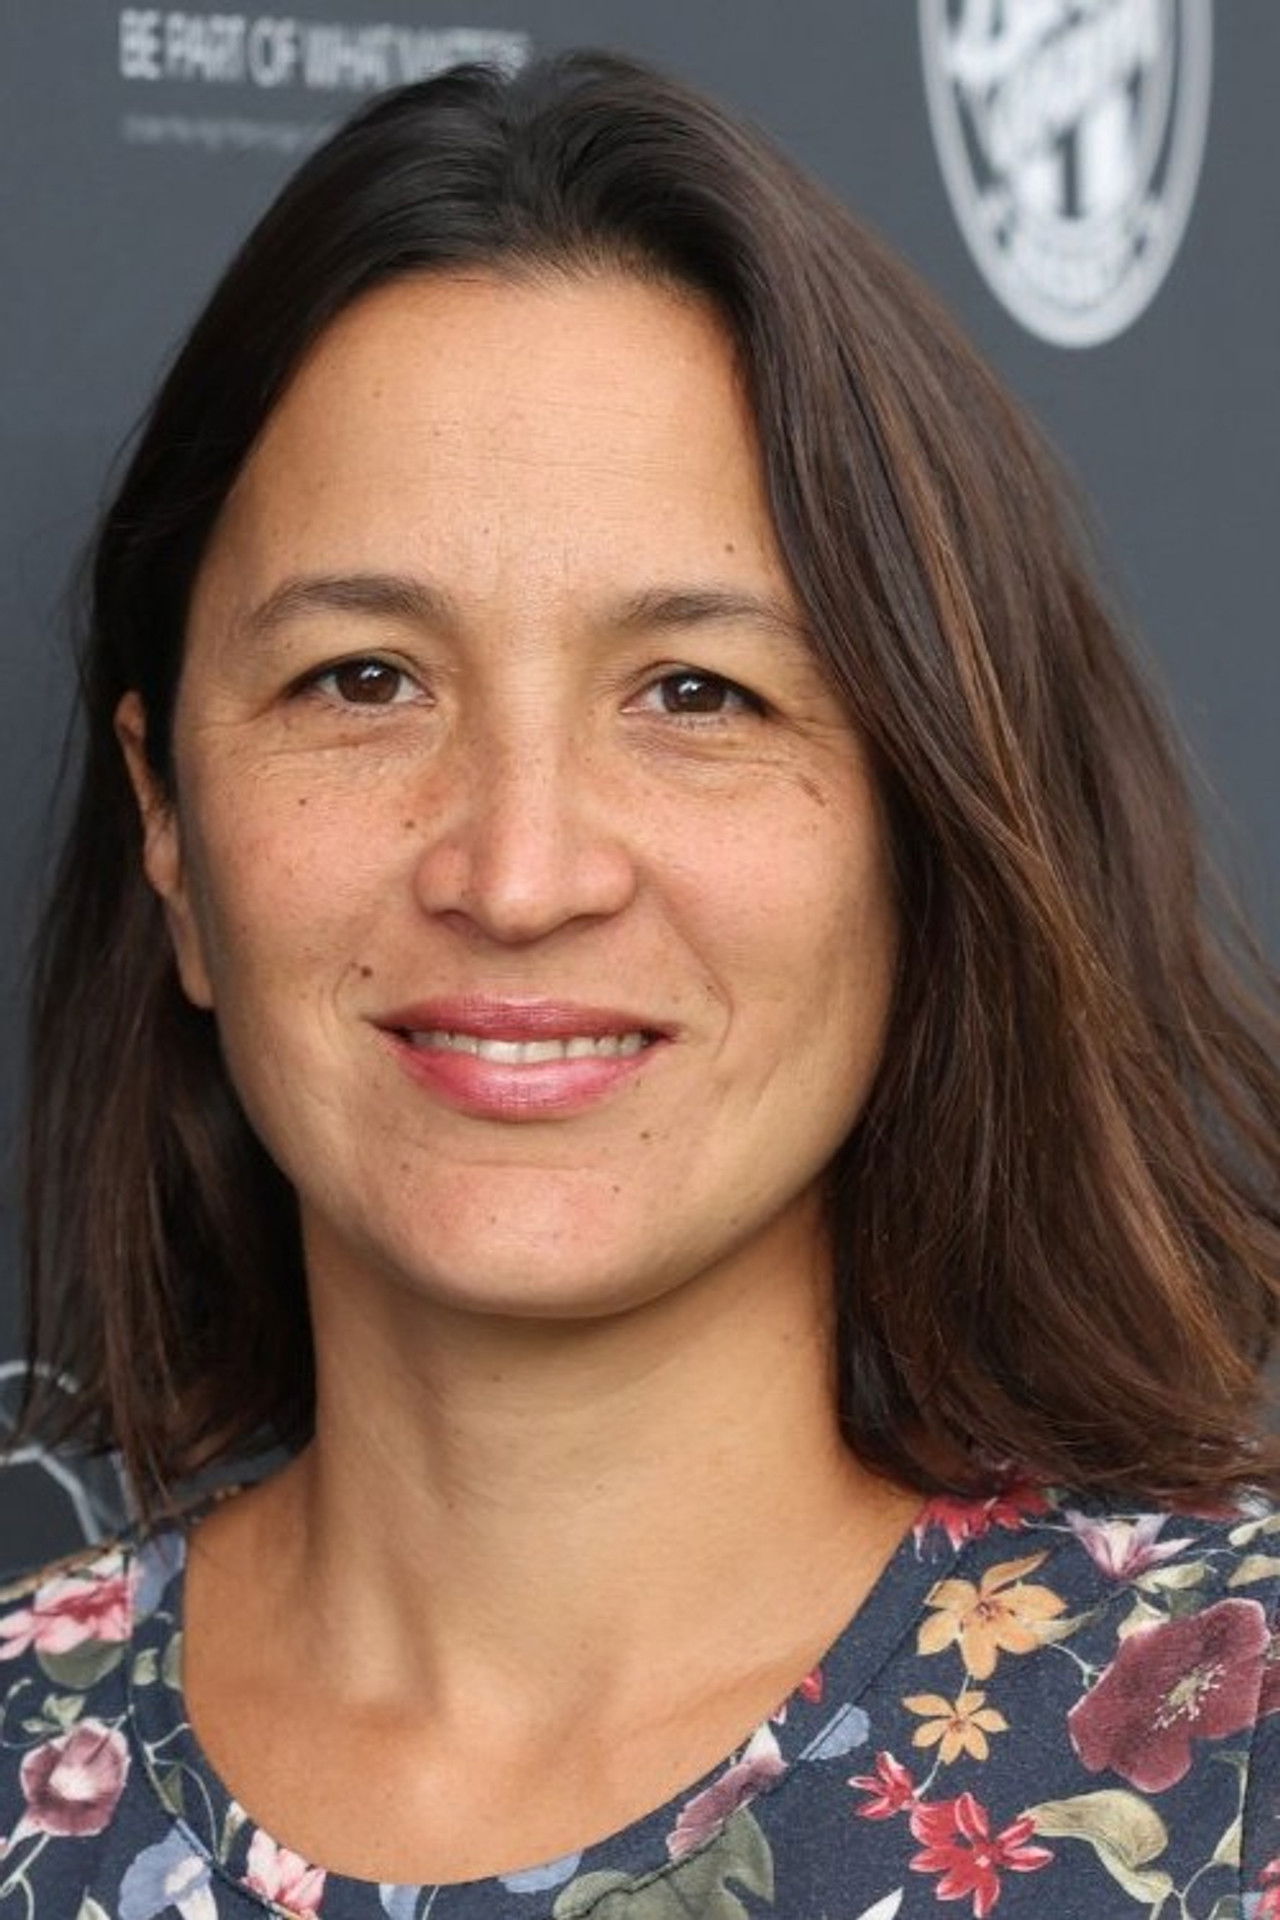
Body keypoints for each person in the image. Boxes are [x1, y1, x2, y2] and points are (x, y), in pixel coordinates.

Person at [4, 46, 1279, 1920]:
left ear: (925, 829)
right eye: (363, 679)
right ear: (169, 830)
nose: (519, 877)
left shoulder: (1236, 1749)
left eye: (698, 693)